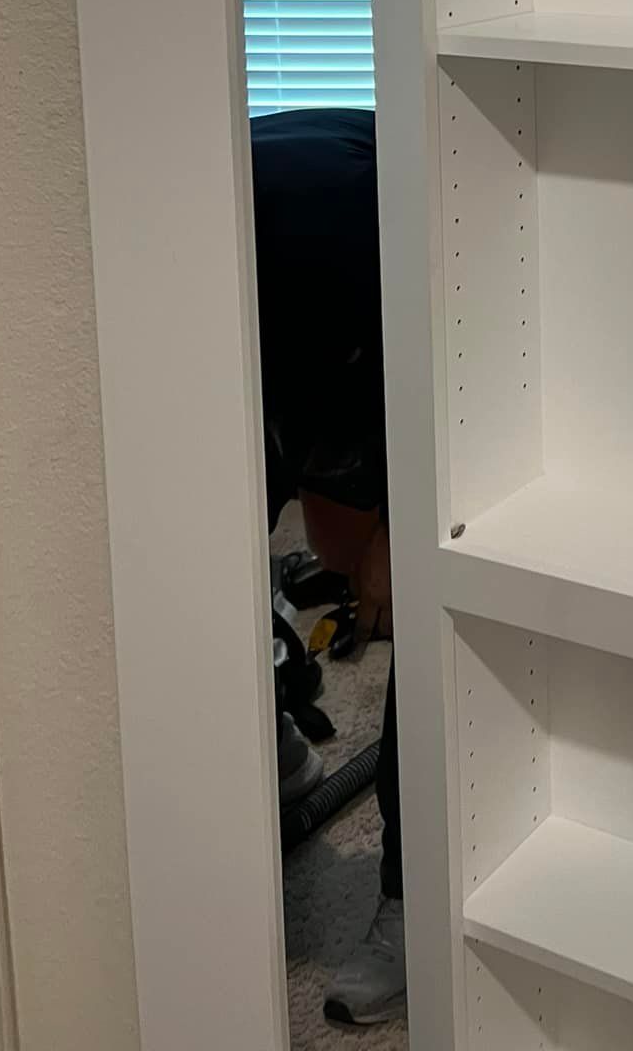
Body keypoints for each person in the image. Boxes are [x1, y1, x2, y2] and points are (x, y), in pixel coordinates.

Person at [251, 108, 405, 1027]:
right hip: (262, 286)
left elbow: (371, 558)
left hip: (371, 276)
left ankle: (415, 896)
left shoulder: (381, 247)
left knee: (417, 600)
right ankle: (271, 753)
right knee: (199, 561)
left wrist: (392, 547)